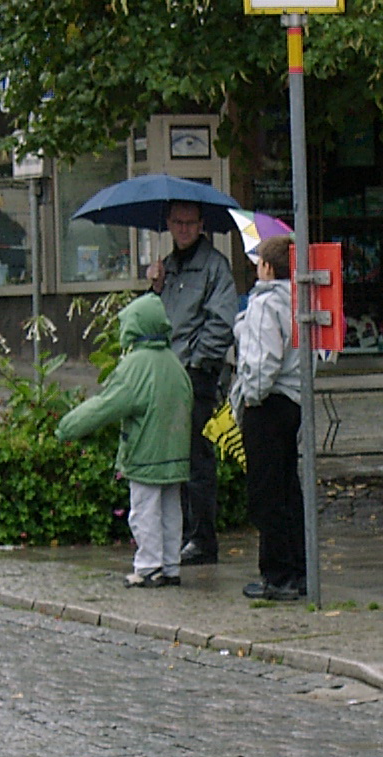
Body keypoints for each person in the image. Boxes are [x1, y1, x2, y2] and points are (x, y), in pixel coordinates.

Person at [55, 292, 192, 588]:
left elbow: (105, 405)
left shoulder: (135, 367)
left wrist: (67, 427)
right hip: (176, 451)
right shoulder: (174, 362)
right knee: (171, 511)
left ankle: (148, 567)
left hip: (145, 451)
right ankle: (170, 566)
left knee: (144, 511)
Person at [146, 200, 236, 565]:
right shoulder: (166, 267)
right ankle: (182, 533)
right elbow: (153, 319)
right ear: (168, 223)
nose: (184, 228)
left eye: (190, 223)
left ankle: (201, 538)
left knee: (198, 459)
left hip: (195, 375)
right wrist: (153, 289)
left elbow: (221, 320)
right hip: (167, 372)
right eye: (177, 222)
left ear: (202, 225)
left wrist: (198, 363)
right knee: (174, 459)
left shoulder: (215, 267)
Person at [230, 235, 306, 601]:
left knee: (266, 493)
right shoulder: (301, 299)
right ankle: (298, 568)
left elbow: (262, 362)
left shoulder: (264, 304)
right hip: (292, 400)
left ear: (267, 267)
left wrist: (250, 397)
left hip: (267, 404)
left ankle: (276, 575)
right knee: (288, 488)